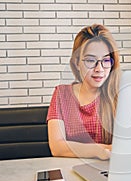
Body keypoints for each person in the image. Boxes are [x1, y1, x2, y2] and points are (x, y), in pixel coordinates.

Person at [47, 24, 121, 160]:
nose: (99, 69)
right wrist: (100, 150)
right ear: (76, 62)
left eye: (105, 60)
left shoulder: (119, 96)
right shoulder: (61, 94)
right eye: (91, 60)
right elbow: (57, 147)